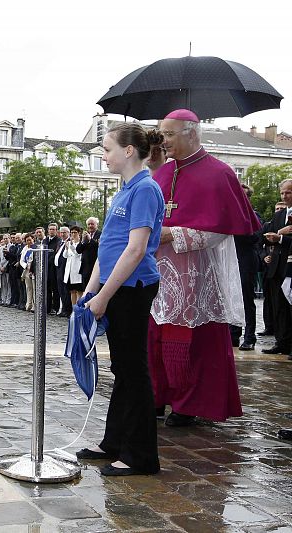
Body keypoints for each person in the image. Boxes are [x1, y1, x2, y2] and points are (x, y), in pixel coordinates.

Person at [148, 109, 261, 426]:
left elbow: (224, 228)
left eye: (168, 134)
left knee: (194, 342)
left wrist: (175, 234)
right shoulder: (161, 174)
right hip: (160, 272)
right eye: (161, 133)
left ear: (191, 132)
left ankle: (188, 403)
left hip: (197, 273)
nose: (163, 139)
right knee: (155, 337)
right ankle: (157, 396)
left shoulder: (220, 173)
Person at [76, 123, 165, 476]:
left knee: (133, 371)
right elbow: (109, 246)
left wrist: (104, 297)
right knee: (122, 370)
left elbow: (135, 250)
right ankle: (114, 442)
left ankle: (140, 455)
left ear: (129, 151)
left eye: (107, 148)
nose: (104, 155)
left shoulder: (145, 189)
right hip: (116, 287)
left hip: (132, 288)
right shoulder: (125, 189)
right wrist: (90, 290)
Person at [260, 179, 292, 357]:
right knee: (278, 307)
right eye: (282, 193)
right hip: (275, 267)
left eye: (288, 192)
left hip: (290, 267)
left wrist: (280, 238)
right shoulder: (279, 215)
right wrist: (274, 237)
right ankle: (282, 342)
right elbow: (265, 235)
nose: (284, 196)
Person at [230, 183, 262, 351]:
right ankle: (234, 334)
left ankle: (250, 336)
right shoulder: (228, 214)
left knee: (247, 300)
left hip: (246, 261)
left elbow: (255, 237)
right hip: (230, 261)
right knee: (231, 298)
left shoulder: (253, 216)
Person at [76, 217, 101, 288]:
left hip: (95, 267)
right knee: (85, 289)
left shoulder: (101, 234)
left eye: (92, 224)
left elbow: (98, 248)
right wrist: (83, 241)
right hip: (85, 268)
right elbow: (78, 250)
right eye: (89, 224)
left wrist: (90, 239)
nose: (90, 226)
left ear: (97, 225)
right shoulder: (85, 235)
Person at [63, 226, 84, 305]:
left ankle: (78, 308)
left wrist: (71, 247)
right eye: (72, 233)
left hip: (77, 270)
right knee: (72, 291)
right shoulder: (69, 243)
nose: (73, 234)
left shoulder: (81, 243)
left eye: (75, 232)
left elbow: (78, 254)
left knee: (79, 291)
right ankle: (73, 309)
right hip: (69, 270)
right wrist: (66, 248)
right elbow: (65, 256)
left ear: (79, 233)